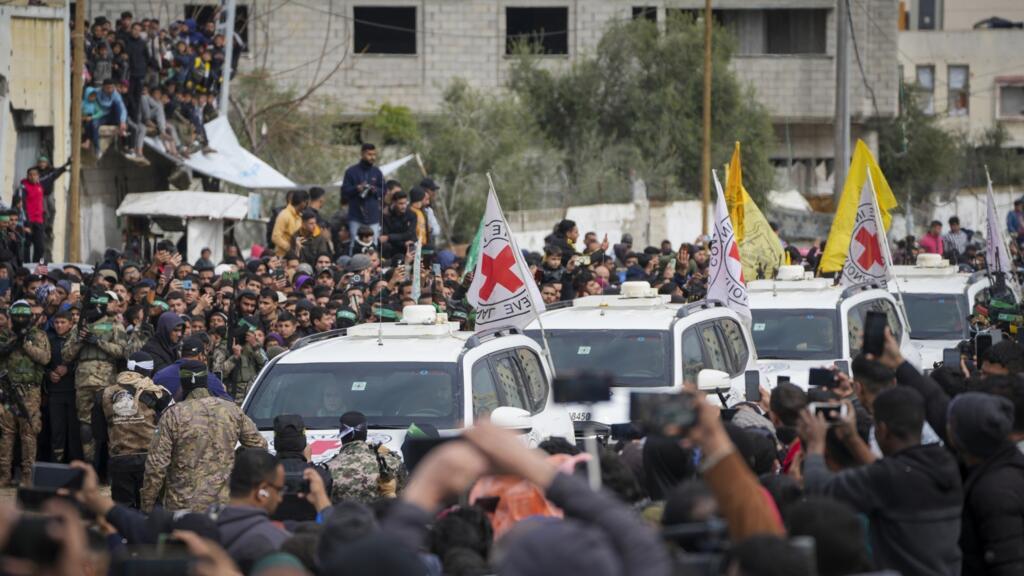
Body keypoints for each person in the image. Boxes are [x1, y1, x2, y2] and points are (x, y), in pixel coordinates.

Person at [801, 386, 963, 576]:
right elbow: (892, 471)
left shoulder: (888, 478)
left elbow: (819, 489)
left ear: (882, 430)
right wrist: (851, 438)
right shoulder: (945, 464)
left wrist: (815, 444)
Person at [141, 363, 267, 512]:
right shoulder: (231, 410)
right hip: (224, 504)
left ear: (183, 384)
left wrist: (147, 505)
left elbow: (156, 465)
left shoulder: (173, 415)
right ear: (206, 382)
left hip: (182, 506)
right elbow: (260, 446)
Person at [216, 448, 330, 573]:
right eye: (279, 490)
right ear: (262, 491)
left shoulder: (203, 530)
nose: (280, 499)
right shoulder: (277, 543)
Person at [947, 392, 1024, 576]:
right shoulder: (1001, 461)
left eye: (951, 423)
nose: (946, 427)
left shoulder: (995, 491)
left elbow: (1009, 566)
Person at [95, 351, 172, 508]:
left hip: (120, 460)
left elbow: (98, 434)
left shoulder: (103, 394)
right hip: (151, 461)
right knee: (151, 509)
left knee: (124, 513)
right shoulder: (160, 394)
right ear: (149, 371)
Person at [62, 291, 128, 462]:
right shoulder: (79, 327)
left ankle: (111, 469)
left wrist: (97, 341)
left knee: (110, 423)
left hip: (106, 381)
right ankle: (90, 465)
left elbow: (122, 351)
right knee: (85, 425)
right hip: (83, 381)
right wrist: (81, 341)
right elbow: (66, 355)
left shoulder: (114, 325)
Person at [0, 300, 50, 485]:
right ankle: (4, 475)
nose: (20, 319)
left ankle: (28, 476)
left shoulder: (38, 335)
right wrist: (15, 340)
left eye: (24, 316)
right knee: (6, 433)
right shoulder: (4, 335)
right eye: (17, 316)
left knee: (29, 434)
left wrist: (26, 343)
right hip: (6, 391)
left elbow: (45, 358)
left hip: (30, 392)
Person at [323, 411, 403, 505]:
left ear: (341, 434)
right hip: (382, 518)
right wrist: (390, 454)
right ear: (365, 432)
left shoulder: (327, 470)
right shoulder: (390, 464)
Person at [46, 307, 82, 463]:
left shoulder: (77, 341)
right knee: (57, 431)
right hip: (55, 393)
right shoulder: (49, 341)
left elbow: (83, 362)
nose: (59, 325)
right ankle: (57, 465)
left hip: (74, 391)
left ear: (70, 324)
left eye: (63, 322)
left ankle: (74, 465)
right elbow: (42, 363)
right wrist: (49, 374)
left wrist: (69, 369)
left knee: (74, 432)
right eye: (56, 322)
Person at [153, 336, 232, 401]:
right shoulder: (207, 377)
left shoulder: (159, 375)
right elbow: (229, 404)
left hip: (166, 418)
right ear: (201, 356)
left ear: (181, 354)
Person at [341, 143, 385, 242]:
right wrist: (357, 188)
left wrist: (374, 190)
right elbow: (345, 191)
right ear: (362, 154)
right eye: (369, 154)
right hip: (355, 216)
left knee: (373, 244)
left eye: (374, 154)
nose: (372, 157)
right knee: (354, 243)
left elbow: (384, 191)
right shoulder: (351, 172)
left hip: (373, 217)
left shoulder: (377, 172)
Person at [15, 167, 47, 262]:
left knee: (40, 247)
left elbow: (52, 176)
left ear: (38, 176)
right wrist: (26, 223)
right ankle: (27, 267)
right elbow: (21, 206)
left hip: (39, 221)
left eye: (35, 175)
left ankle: (36, 267)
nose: (32, 177)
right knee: (26, 245)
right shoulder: (23, 187)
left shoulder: (40, 186)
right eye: (30, 175)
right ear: (27, 176)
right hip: (27, 221)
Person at [272, 189, 309, 258]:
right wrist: (289, 248)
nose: (306, 205)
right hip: (283, 256)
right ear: (302, 203)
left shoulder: (299, 216)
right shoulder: (285, 215)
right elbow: (275, 237)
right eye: (306, 202)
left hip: (296, 255)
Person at [381, 191, 417, 258]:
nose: (404, 206)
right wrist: (402, 243)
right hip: (394, 246)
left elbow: (409, 233)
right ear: (394, 203)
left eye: (405, 203)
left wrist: (390, 237)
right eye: (400, 203)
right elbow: (385, 237)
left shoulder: (412, 215)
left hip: (409, 243)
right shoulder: (386, 216)